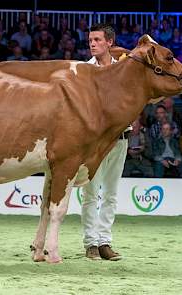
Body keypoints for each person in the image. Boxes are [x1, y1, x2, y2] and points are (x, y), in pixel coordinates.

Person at [81, 23, 129, 261]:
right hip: (96, 141)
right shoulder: (84, 70)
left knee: (110, 194)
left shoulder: (124, 66)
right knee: (91, 193)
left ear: (109, 42)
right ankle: (91, 243)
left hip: (121, 138)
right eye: (90, 40)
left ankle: (104, 243)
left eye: (98, 40)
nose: (92, 43)